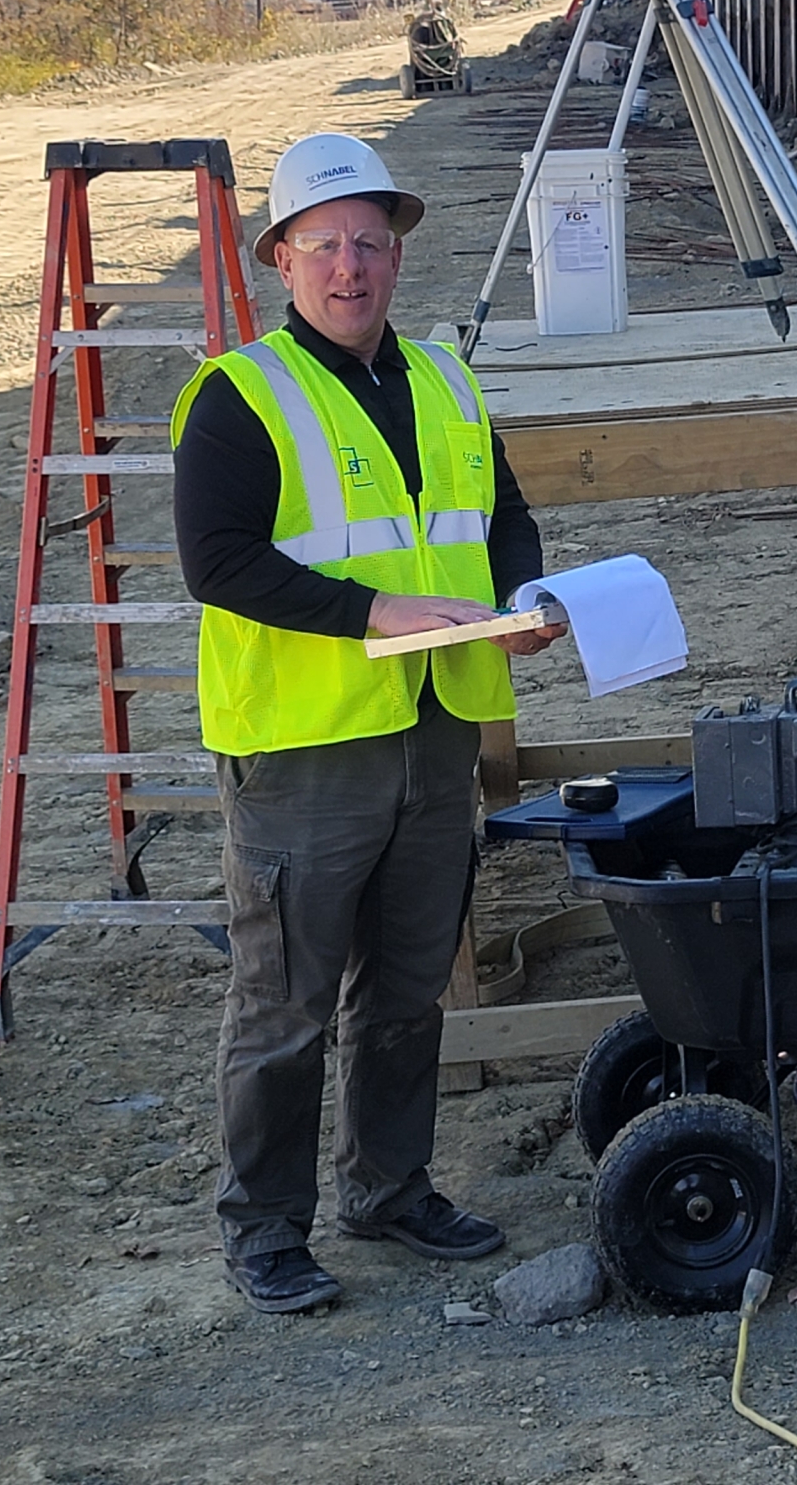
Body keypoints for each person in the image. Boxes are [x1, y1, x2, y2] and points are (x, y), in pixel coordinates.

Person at [172, 131, 565, 1312]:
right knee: (285, 1003)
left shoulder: (443, 378)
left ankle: (390, 1189)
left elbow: (501, 516)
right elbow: (218, 562)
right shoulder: (240, 395)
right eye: (325, 245)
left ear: (397, 255)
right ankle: (265, 1231)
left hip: (437, 729)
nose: (351, 267)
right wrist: (372, 611)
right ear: (281, 261)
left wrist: (527, 597)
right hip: (305, 745)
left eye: (371, 244)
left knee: (406, 990)